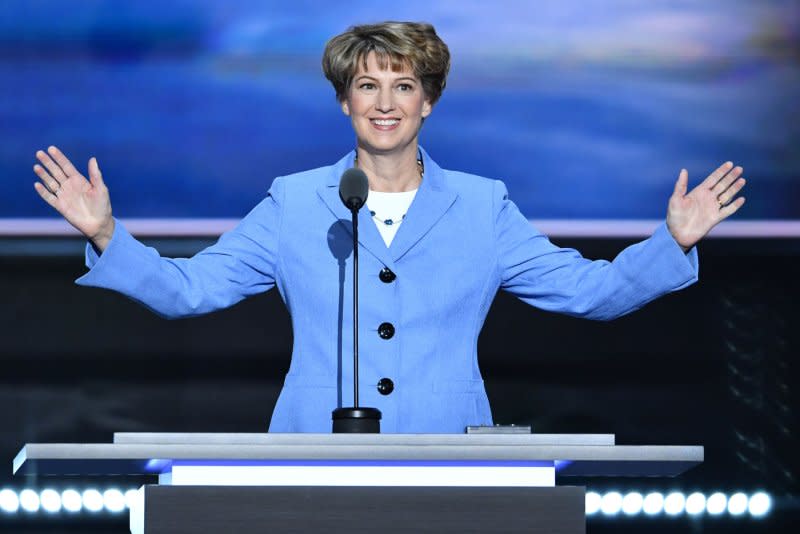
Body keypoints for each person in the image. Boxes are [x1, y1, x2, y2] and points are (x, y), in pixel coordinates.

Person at [31, 22, 746, 433]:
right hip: (313, 453)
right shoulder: (296, 201)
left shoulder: (481, 205)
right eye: (367, 85)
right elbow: (188, 291)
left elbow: (591, 293)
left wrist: (673, 241)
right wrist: (105, 234)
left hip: (452, 456)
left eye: (404, 85)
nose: (385, 102)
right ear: (343, 101)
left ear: (428, 102)